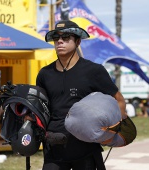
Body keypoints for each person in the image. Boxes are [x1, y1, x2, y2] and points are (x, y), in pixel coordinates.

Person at [36, 20, 127, 170]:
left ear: (78, 41)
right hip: (54, 147)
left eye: (66, 38)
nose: (59, 41)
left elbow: (118, 99)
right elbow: (41, 107)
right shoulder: (44, 74)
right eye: (56, 38)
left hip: (86, 148)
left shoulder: (93, 71)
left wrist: (113, 130)